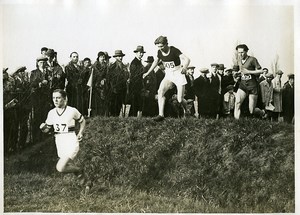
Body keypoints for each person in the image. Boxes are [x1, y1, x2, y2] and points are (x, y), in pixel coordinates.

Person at [143, 36, 190, 121]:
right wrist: (147, 73)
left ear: (166, 44)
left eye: (161, 46)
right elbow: (155, 62)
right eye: (158, 46)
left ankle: (187, 109)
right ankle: (161, 115)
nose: (160, 48)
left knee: (179, 99)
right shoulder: (159, 52)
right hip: (169, 74)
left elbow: (187, 59)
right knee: (160, 92)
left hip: (178, 73)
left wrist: (185, 68)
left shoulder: (174, 50)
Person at [40, 89, 86, 175]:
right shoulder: (51, 113)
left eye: (58, 98)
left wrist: (80, 133)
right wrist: (43, 128)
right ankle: (86, 182)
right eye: (53, 98)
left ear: (65, 99)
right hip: (59, 141)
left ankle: (80, 170)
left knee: (60, 167)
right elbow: (47, 129)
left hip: (70, 140)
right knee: (66, 166)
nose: (55, 100)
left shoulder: (72, 110)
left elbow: (82, 121)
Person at [234, 44, 262, 119]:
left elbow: (260, 71)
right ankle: (235, 122)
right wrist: (238, 73)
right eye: (239, 52)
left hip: (252, 86)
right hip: (243, 85)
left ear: (246, 51)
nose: (240, 54)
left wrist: (249, 72)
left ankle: (262, 112)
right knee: (237, 103)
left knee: (251, 110)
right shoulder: (239, 61)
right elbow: (242, 70)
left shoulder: (252, 59)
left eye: (242, 52)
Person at [30, 56, 51, 143]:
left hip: (46, 97)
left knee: (45, 115)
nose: (42, 64)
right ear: (37, 63)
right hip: (37, 98)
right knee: (37, 117)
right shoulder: (34, 72)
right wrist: (40, 83)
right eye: (41, 62)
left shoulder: (48, 72)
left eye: (44, 62)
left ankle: (44, 135)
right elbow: (32, 84)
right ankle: (36, 137)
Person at [106, 50, 129, 117]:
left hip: (122, 90)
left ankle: (116, 118)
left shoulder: (124, 67)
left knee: (119, 106)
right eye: (118, 56)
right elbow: (109, 79)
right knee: (113, 107)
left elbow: (126, 77)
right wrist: (113, 87)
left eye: (121, 56)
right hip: (114, 90)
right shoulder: (112, 67)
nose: (120, 58)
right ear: (115, 57)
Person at [128, 45, 146, 118]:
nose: (141, 54)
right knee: (134, 103)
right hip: (135, 86)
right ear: (136, 53)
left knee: (137, 103)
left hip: (138, 86)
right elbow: (135, 76)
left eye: (142, 53)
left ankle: (134, 118)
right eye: (139, 53)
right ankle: (132, 118)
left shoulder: (139, 62)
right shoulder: (134, 62)